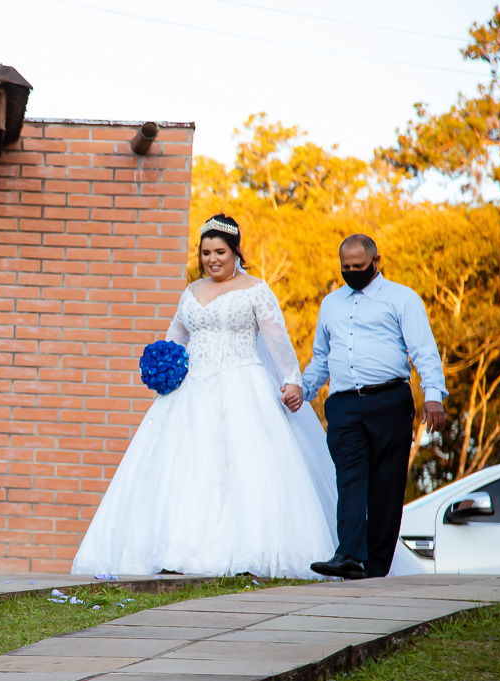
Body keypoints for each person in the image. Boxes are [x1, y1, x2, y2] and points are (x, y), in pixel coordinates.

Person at [72, 214, 338, 579]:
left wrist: (292, 379)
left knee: (246, 465)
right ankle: (174, 550)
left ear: (236, 252)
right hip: (191, 390)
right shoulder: (192, 291)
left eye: (220, 252)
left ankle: (249, 553)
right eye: (206, 253)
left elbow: (276, 337)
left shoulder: (256, 289)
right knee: (183, 465)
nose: (212, 259)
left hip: (242, 384)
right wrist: (163, 363)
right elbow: (176, 335)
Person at [302, 234, 446, 580]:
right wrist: (302, 391)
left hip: (389, 401)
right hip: (344, 405)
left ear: (376, 262)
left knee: (386, 484)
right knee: (349, 479)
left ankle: (376, 566)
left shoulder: (402, 298)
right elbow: (321, 357)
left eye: (359, 266)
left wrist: (433, 396)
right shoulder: (331, 304)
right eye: (346, 267)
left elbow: (423, 350)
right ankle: (348, 555)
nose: (352, 272)